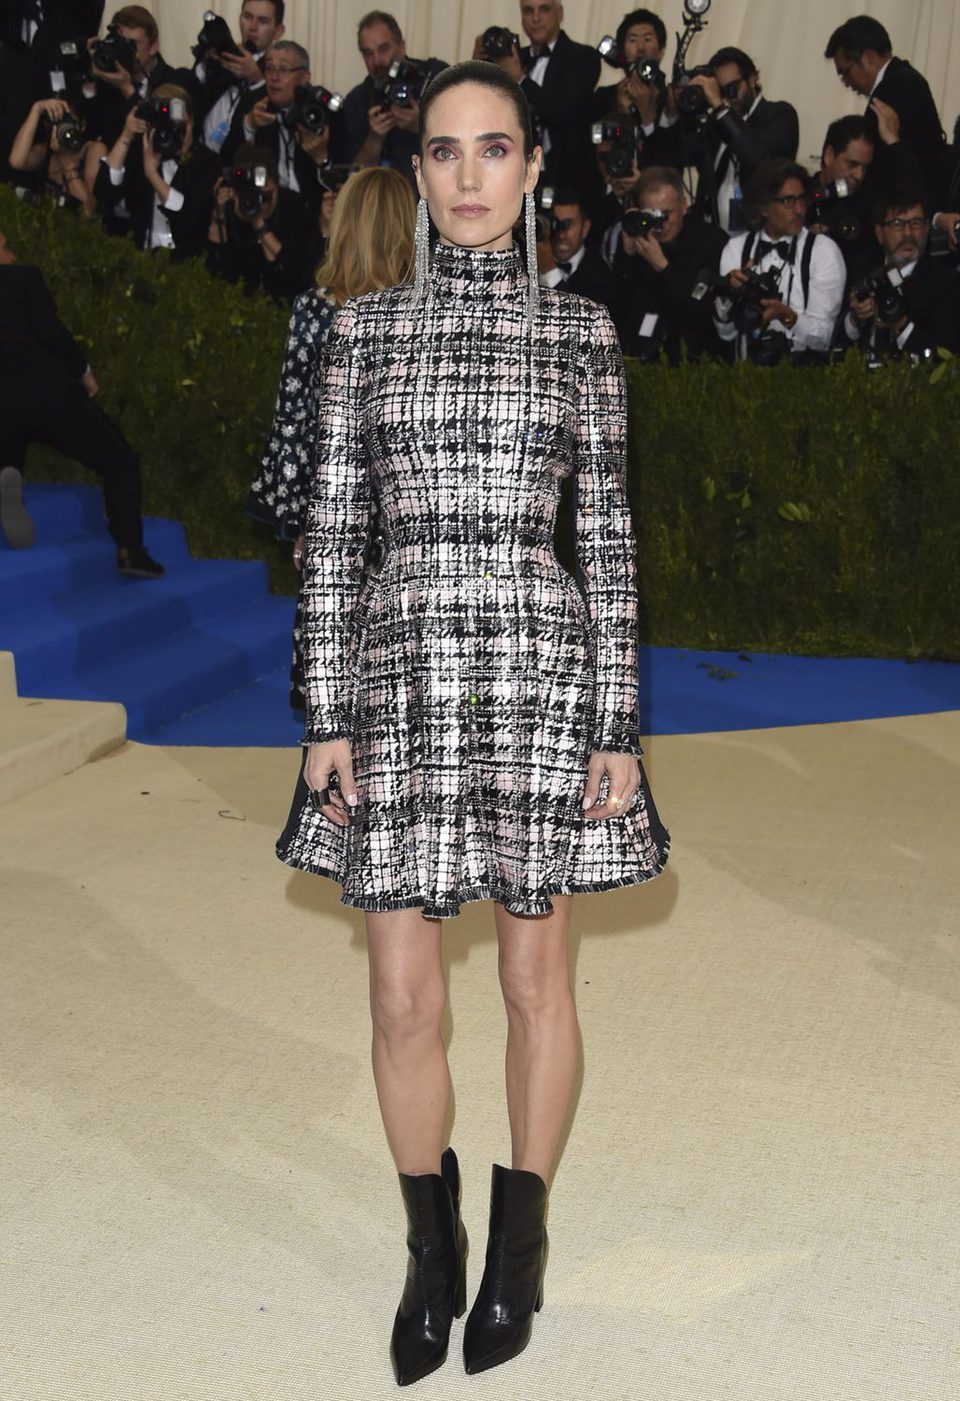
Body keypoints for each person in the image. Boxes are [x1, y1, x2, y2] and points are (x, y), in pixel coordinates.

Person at [276, 59, 669, 1384]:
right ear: (419, 167)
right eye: (442, 151)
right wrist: (324, 700)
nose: (465, 175)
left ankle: (518, 1249)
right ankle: (428, 1250)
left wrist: (620, 715)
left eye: (492, 148)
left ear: (533, 166)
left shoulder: (582, 333)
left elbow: (607, 531)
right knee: (398, 995)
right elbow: (333, 527)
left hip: (540, 666)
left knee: (529, 976)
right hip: (393, 671)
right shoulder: (362, 328)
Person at [248, 166, 415, 709]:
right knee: (404, 685)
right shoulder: (430, 313)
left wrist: (301, 525)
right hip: (414, 521)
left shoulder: (318, 312)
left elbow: (297, 429)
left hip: (339, 522)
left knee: (337, 693)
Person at [0, 227, 162, 574]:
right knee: (119, 459)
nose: (11, 251)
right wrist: (85, 372)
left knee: (8, 451)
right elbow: (52, 334)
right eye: (5, 244)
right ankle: (130, 550)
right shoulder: (23, 278)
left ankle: (7, 469)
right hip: (45, 392)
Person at [715, 158, 846, 364]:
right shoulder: (736, 248)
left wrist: (788, 317)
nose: (799, 210)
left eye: (802, 200)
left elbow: (824, 338)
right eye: (788, 201)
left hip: (806, 379)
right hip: (746, 377)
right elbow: (725, 333)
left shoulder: (823, 251)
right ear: (764, 207)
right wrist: (731, 294)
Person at [667, 46, 799, 232]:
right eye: (719, 90)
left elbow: (758, 160)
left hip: (758, 236)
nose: (727, 97)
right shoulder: (714, 124)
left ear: (752, 79)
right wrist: (675, 111)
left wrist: (720, 107)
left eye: (732, 88)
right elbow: (678, 155)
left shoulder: (779, 114)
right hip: (713, 239)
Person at [476, 1, 600, 196]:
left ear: (559, 14)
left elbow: (564, 113)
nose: (535, 18)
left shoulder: (583, 57)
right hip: (515, 177)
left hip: (568, 181)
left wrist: (520, 78)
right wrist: (478, 66)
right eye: (528, 11)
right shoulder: (513, 58)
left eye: (544, 9)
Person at [824, 16, 945, 202]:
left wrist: (831, 192)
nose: (846, 83)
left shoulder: (893, 89)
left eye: (845, 73)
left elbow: (873, 172)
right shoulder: (906, 79)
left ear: (868, 58)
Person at [616, 165, 729, 362]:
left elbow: (701, 313)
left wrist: (661, 265)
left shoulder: (710, 241)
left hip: (695, 360)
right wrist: (627, 255)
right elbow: (620, 308)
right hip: (643, 357)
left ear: (684, 205)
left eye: (667, 214)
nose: (661, 224)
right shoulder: (641, 242)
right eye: (652, 216)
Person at [94, 84, 219, 257]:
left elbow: (189, 219)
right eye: (168, 126)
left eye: (182, 126)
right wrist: (126, 135)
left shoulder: (207, 162)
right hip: (141, 255)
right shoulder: (142, 151)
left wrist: (152, 174)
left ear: (192, 121)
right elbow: (104, 192)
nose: (177, 134)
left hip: (187, 265)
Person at [838, 188, 960, 359]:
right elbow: (834, 342)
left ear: (926, 229)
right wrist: (854, 318)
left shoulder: (947, 283)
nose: (908, 233)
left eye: (916, 223)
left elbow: (944, 359)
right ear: (879, 233)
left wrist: (900, 324)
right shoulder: (862, 272)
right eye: (897, 224)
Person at [221, 39, 333, 222]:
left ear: (305, 77)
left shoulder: (321, 114)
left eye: (283, 69)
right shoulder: (256, 106)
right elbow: (227, 159)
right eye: (269, 69)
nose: (274, 77)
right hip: (265, 215)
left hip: (312, 218)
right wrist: (249, 125)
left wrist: (323, 159)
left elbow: (345, 178)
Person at [333, 11, 446, 192]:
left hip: (434, 198)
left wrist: (421, 125)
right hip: (383, 207)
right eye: (368, 53)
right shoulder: (358, 99)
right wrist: (375, 139)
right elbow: (353, 180)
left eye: (383, 49)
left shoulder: (434, 76)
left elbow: (465, 135)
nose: (377, 61)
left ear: (401, 46)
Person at [206, 143, 315, 301]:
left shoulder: (292, 205)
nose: (256, 199)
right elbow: (215, 268)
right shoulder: (234, 205)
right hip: (241, 302)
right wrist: (218, 217)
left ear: (275, 184)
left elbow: (293, 266)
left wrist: (259, 224)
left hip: (283, 302)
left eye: (264, 194)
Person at [190, 0, 285, 154]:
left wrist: (257, 80)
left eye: (262, 21)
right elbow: (190, 104)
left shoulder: (278, 73)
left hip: (244, 164)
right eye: (247, 17)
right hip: (200, 159)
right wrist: (204, 65)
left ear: (278, 31)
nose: (252, 27)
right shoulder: (224, 56)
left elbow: (275, 121)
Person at [537, 186, 624, 337]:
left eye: (568, 225)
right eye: (555, 223)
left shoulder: (602, 278)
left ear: (585, 228)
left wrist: (549, 271)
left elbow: (580, 331)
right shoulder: (525, 262)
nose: (561, 234)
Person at [8, 96, 99, 214]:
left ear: (82, 124)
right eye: (60, 122)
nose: (65, 129)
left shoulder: (93, 150)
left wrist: (64, 158)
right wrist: (36, 110)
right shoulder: (47, 152)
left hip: (79, 230)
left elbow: (88, 211)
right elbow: (16, 161)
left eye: (69, 121)